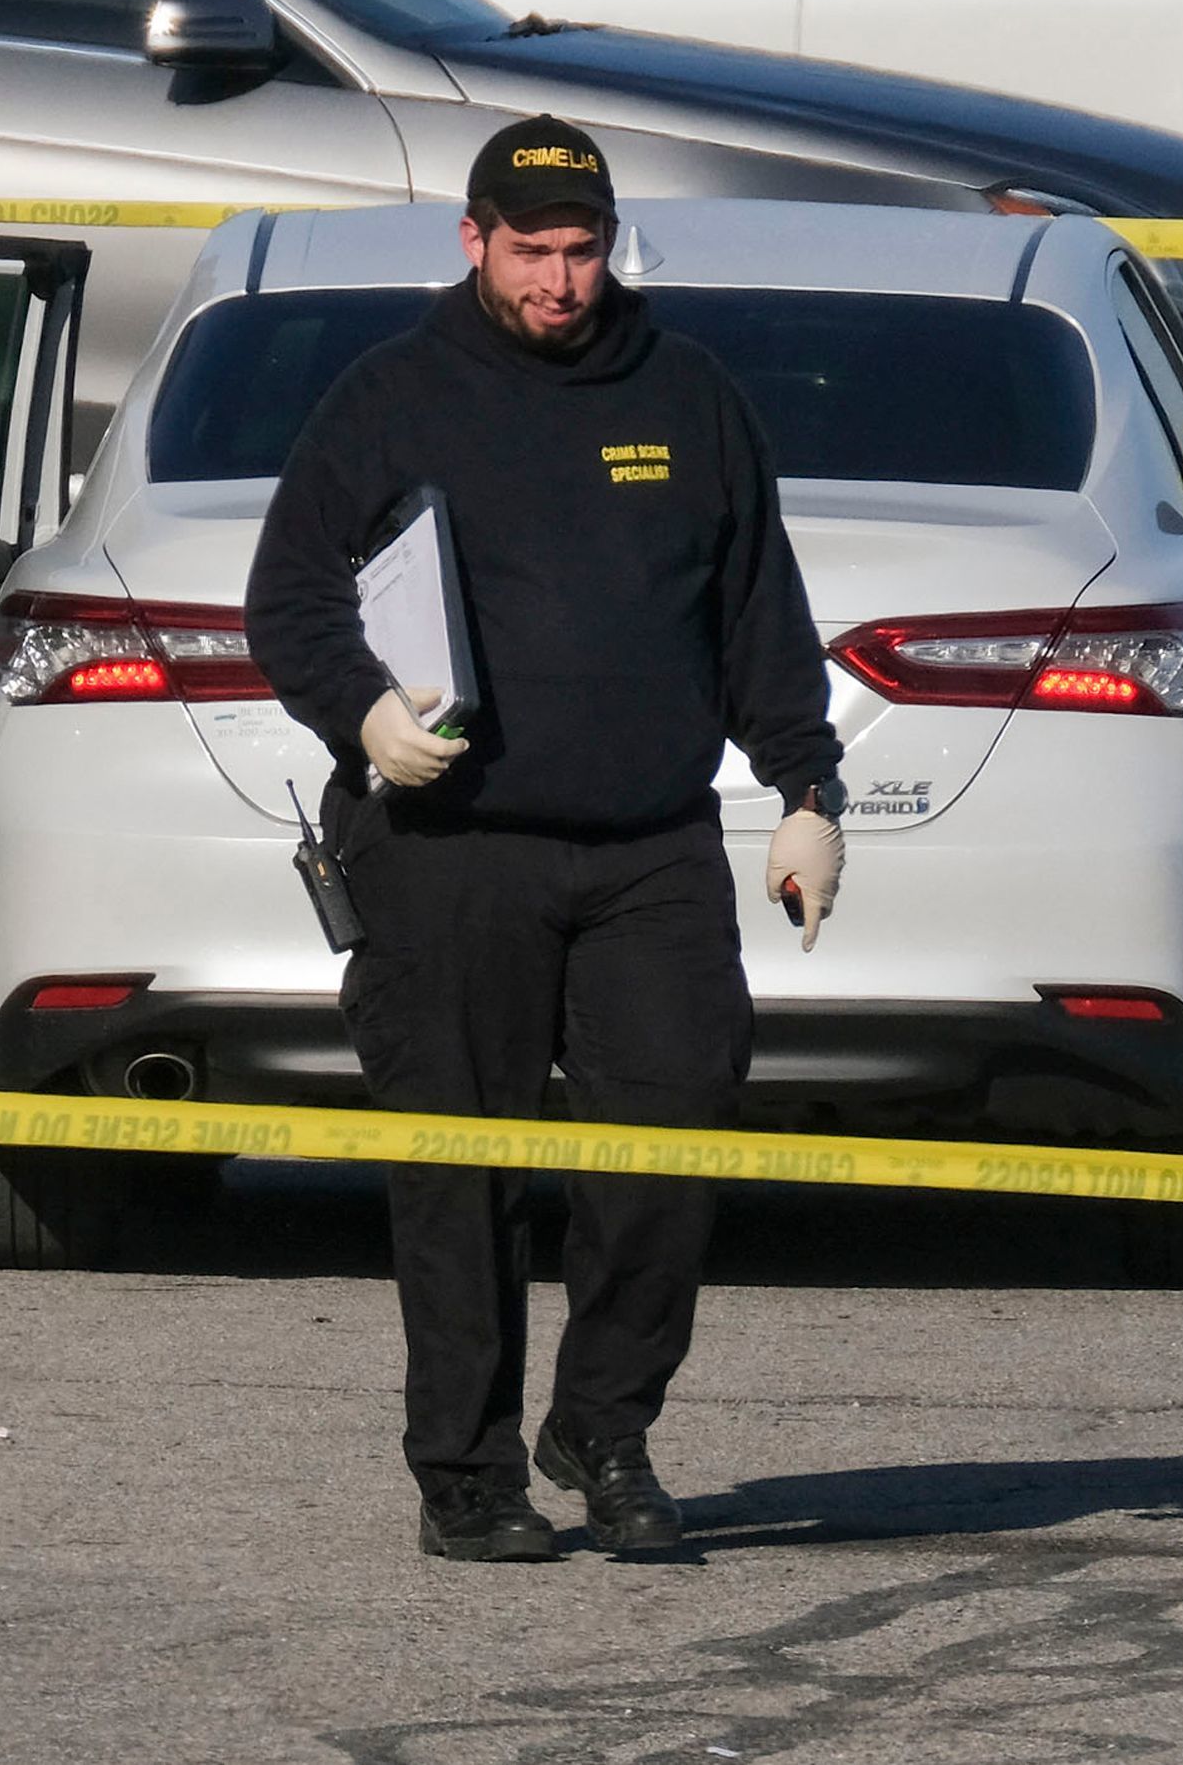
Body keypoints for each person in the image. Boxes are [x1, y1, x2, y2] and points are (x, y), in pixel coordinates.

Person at [245, 117, 847, 1563]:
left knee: (671, 1130)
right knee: (461, 1166)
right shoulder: (392, 394)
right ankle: (465, 1466)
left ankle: (605, 1423)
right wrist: (364, 715)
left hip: (648, 842)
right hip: (452, 846)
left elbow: (758, 610)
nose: (560, 281)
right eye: (531, 251)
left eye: (582, 250)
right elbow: (289, 594)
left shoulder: (690, 395)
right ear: (473, 240)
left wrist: (808, 791)